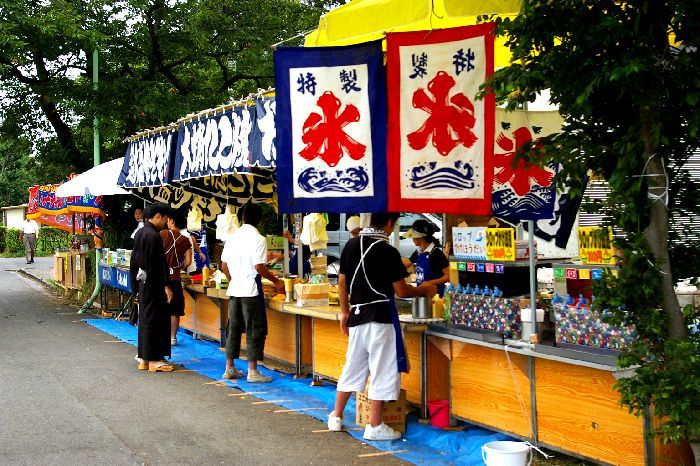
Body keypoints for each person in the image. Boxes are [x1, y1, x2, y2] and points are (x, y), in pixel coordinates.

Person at [328, 212, 437, 441]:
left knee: (353, 366)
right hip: (380, 317)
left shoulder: (351, 244)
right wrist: (425, 290)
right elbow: (402, 290)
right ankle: (375, 424)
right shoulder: (387, 250)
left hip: (357, 315)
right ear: (389, 223)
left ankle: (336, 416)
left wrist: (344, 312)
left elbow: (341, 282)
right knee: (382, 369)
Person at [220, 204, 284, 383]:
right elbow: (259, 267)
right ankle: (252, 371)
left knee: (232, 328)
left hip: (235, 289)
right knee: (254, 328)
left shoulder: (232, 238)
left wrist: (233, 279)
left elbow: (224, 266)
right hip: (250, 289)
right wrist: (277, 281)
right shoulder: (258, 239)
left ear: (243, 218)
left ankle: (229, 368)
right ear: (259, 220)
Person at [130, 203, 175, 372]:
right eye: (164, 218)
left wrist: (135, 285)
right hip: (154, 282)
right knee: (154, 319)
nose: (165, 222)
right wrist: (166, 285)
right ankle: (154, 359)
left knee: (146, 318)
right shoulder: (153, 236)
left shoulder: (140, 232)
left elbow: (133, 260)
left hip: (143, 282)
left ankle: (144, 358)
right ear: (157, 216)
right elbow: (158, 264)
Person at [160, 211, 193, 346]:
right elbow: (188, 262)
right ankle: (173, 337)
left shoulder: (163, 234)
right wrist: (179, 267)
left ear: (171, 221)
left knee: (161, 308)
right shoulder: (185, 240)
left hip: (161, 276)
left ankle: (161, 335)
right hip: (175, 277)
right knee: (175, 309)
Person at [402, 219, 450, 297]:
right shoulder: (419, 252)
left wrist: (430, 282)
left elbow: (449, 276)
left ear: (420, 237)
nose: (412, 239)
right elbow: (406, 263)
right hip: (421, 294)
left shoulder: (436, 253)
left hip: (436, 297)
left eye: (413, 237)